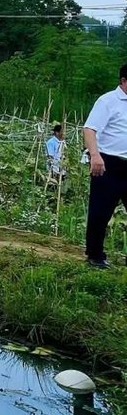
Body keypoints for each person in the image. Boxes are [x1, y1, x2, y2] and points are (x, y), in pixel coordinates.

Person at [82, 63, 127, 269]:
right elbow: (89, 129)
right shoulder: (108, 101)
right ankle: (95, 255)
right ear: (123, 81)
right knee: (100, 211)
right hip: (108, 163)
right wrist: (95, 155)